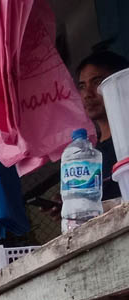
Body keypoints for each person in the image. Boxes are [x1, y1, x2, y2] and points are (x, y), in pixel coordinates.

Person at [77, 49, 129, 200]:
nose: (87, 94)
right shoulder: (92, 155)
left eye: (97, 82)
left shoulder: (125, 142)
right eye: (82, 86)